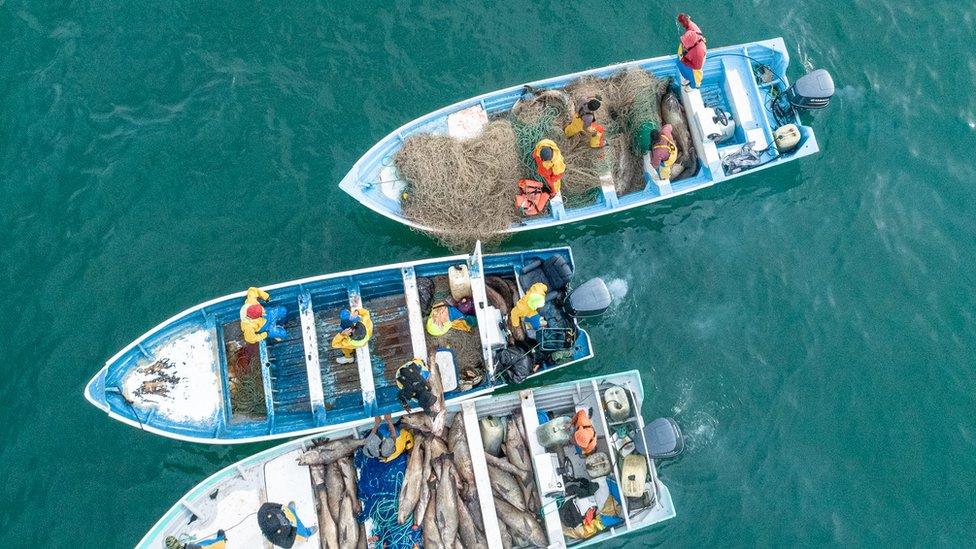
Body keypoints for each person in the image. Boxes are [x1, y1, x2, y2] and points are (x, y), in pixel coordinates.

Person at [675, 13, 707, 89]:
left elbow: (697, 67)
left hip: (696, 61)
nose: (683, 46)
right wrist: (683, 19)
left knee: (695, 75)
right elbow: (688, 22)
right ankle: (688, 78)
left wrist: (684, 61)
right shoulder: (693, 29)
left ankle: (693, 85)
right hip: (689, 54)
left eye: (685, 45)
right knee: (679, 63)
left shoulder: (698, 54)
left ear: (690, 45)